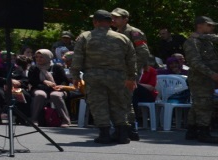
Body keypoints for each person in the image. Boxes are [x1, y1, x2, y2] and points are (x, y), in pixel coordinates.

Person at [72, 9, 136, 144]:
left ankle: (104, 134)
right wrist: (132, 78)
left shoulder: (85, 36)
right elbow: (131, 59)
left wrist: (76, 76)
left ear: (95, 22)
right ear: (111, 22)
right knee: (119, 103)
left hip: (94, 76)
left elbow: (77, 58)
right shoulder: (122, 38)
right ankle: (122, 133)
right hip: (118, 76)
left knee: (98, 104)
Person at [112, 8, 152, 140]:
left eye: (117, 17)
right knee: (123, 100)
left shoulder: (133, 32)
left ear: (125, 19)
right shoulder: (116, 33)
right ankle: (129, 129)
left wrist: (133, 69)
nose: (114, 19)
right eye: (113, 17)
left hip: (129, 71)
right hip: (119, 71)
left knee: (125, 100)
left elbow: (143, 52)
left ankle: (129, 129)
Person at [183, 16, 218, 143]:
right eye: (209, 25)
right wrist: (211, 73)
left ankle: (192, 130)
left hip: (206, 79)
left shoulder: (205, 40)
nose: (212, 28)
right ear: (200, 25)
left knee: (198, 105)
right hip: (200, 79)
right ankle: (203, 132)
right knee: (204, 105)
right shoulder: (192, 42)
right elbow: (195, 62)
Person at [28, 49, 71, 126]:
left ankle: (65, 120)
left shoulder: (57, 67)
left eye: (41, 57)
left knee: (55, 95)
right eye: (37, 57)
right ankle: (34, 119)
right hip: (40, 88)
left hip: (57, 89)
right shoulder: (34, 68)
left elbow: (64, 81)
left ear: (48, 57)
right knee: (40, 94)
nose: (38, 59)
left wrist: (58, 86)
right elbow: (33, 82)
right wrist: (44, 82)